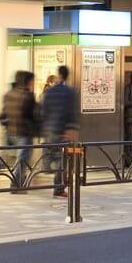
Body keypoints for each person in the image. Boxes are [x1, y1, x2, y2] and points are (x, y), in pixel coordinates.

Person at [40, 65, 79, 197]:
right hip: (63, 131)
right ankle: (59, 188)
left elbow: (43, 111)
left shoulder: (49, 92)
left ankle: (44, 171)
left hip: (50, 130)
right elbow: (72, 113)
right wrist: (72, 129)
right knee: (64, 161)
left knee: (54, 155)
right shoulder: (70, 92)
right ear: (67, 76)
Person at [0, 71, 37, 192]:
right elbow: (31, 115)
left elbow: (3, 113)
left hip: (10, 131)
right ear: (28, 81)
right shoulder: (28, 95)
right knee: (22, 159)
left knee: (17, 158)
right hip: (24, 131)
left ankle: (19, 180)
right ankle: (16, 185)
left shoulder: (8, 94)